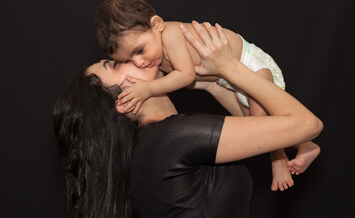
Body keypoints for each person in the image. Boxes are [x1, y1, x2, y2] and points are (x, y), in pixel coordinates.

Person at [53, 22, 323, 217]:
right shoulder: (171, 138)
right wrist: (230, 67)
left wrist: (210, 82)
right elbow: (307, 124)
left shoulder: (157, 143)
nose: (124, 55)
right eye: (113, 63)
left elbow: (259, 121)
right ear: (121, 103)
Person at [95, 0, 320, 191]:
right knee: (256, 124)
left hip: (252, 66)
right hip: (230, 80)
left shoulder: (171, 34)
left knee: (261, 125)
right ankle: (306, 146)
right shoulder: (154, 55)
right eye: (126, 60)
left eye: (139, 50)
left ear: (157, 24)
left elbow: (186, 76)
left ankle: (278, 162)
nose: (139, 62)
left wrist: (147, 88)